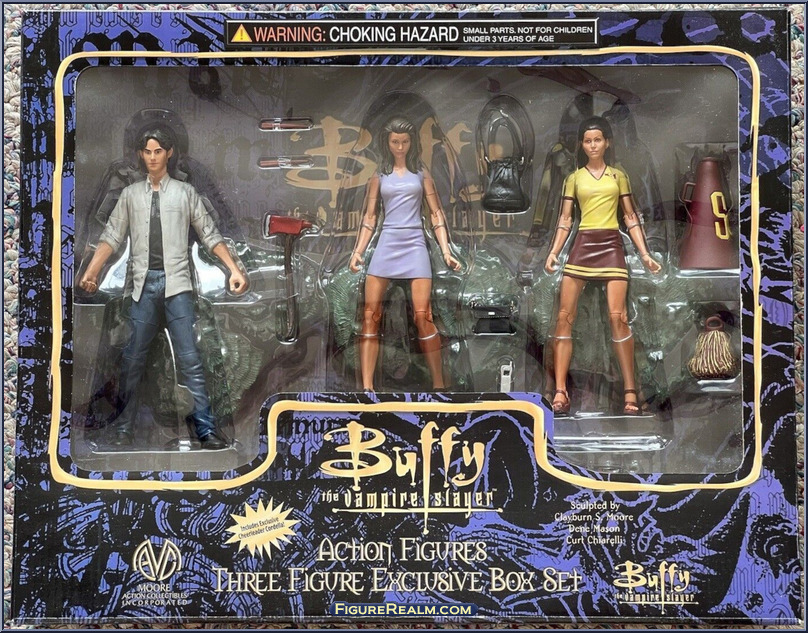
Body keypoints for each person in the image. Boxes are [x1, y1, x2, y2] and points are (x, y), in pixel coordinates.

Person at [79, 129, 248, 448]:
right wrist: (92, 271)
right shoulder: (130, 195)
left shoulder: (185, 193)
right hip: (142, 287)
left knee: (191, 358)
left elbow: (210, 234)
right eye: (147, 151)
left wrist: (234, 270)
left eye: (158, 151)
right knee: (132, 360)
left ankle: (205, 429)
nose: (152, 157)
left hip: (178, 286)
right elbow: (112, 236)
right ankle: (123, 428)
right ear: (140, 154)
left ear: (169, 153)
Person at [544, 116, 661, 416]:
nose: (593, 145)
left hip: (611, 245)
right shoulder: (574, 178)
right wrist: (554, 252)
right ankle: (560, 390)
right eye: (587, 141)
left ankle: (630, 390)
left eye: (597, 140)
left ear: (607, 142)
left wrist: (645, 254)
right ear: (581, 145)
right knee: (564, 317)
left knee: (618, 317)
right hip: (583, 245)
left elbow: (631, 217)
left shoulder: (618, 176)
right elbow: (565, 219)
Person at [349, 116, 461, 392]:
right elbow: (369, 217)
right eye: (395, 142)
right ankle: (367, 388)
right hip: (387, 242)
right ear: (387, 143)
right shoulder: (379, 176)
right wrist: (357, 251)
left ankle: (439, 385)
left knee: (423, 316)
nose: (400, 147)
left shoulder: (422, 174)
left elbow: (436, 213)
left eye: (405, 141)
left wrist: (446, 251)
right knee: (370, 314)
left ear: (412, 143)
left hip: (414, 244)